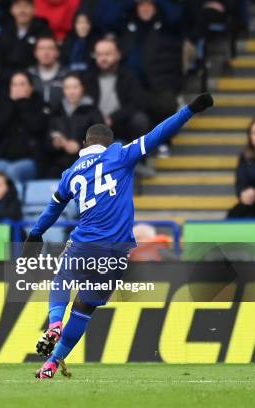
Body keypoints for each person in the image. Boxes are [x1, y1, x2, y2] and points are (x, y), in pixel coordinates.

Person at [24, 93, 213, 379]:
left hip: (86, 242)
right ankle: (51, 364)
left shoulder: (71, 173)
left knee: (63, 278)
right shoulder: (121, 154)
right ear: (108, 142)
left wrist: (35, 235)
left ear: (85, 143)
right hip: (119, 251)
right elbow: (158, 133)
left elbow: (53, 209)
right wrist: (189, 110)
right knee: (84, 307)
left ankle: (53, 324)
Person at [83, 37, 149, 145]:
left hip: (122, 123)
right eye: (99, 54)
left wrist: (112, 118)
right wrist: (100, 119)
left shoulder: (129, 76)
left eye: (107, 54)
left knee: (140, 120)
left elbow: (137, 104)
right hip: (96, 125)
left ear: (118, 55)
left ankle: (139, 157)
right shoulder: (88, 78)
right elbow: (85, 103)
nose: (103, 58)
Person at [0, 71, 48, 183]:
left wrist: (23, 103)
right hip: (5, 158)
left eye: (22, 84)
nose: (18, 88)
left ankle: (16, 200)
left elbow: (36, 126)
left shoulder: (41, 105)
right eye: (14, 85)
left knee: (12, 171)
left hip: (31, 159)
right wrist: (11, 104)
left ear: (31, 88)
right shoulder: (3, 106)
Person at [46, 73, 105, 177]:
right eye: (67, 88)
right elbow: (49, 133)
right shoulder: (57, 110)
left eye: (75, 87)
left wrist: (79, 145)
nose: (71, 92)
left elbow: (101, 138)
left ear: (82, 88)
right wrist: (54, 143)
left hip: (87, 161)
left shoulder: (92, 110)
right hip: (60, 160)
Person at [0, 0, 53, 74]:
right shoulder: (5, 30)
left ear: (34, 10)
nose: (22, 11)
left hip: (35, 74)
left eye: (26, 6)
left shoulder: (43, 29)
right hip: (7, 74)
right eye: (18, 6)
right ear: (12, 10)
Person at [27, 35, 67, 109]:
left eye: (50, 48)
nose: (46, 53)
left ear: (57, 52)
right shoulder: (27, 75)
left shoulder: (68, 75)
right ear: (35, 53)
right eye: (41, 48)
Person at [227, 120, 255, 219]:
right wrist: (242, 194)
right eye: (253, 133)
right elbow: (240, 182)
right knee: (233, 215)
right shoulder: (245, 157)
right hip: (250, 205)